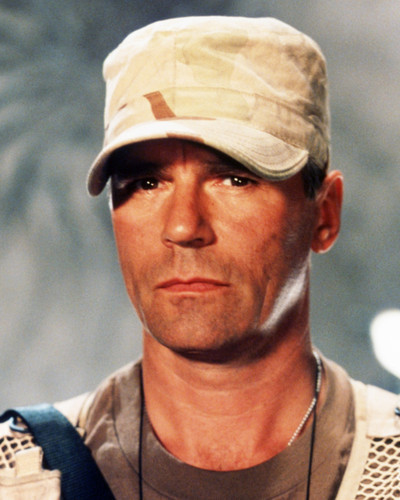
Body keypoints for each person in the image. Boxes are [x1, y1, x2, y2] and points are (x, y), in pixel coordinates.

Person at [1, 16, 399, 500]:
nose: (183, 226)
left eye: (235, 179)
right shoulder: (17, 473)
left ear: (325, 214)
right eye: (147, 182)